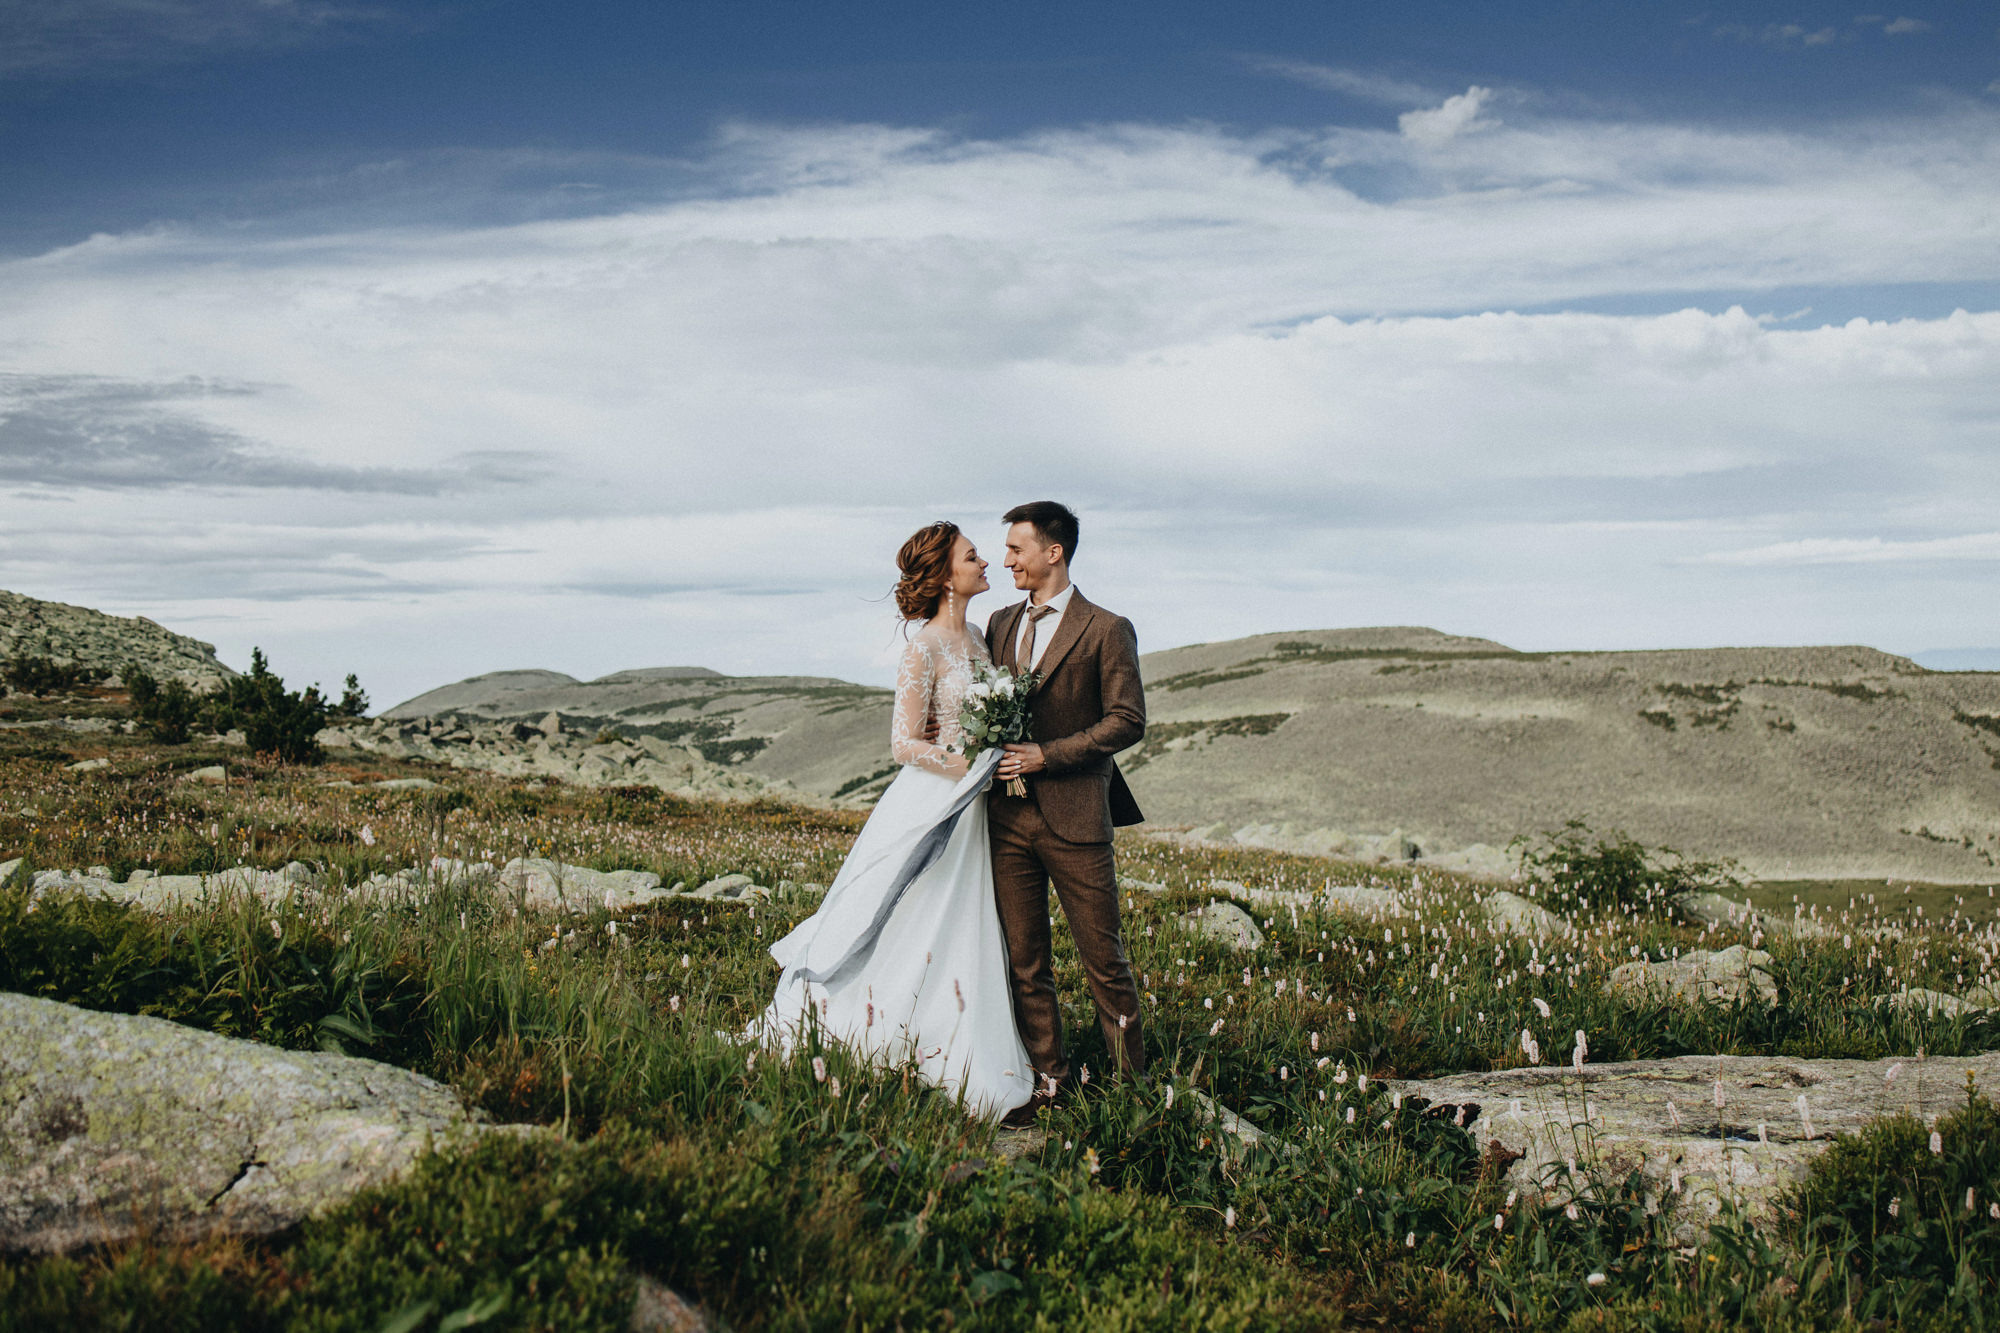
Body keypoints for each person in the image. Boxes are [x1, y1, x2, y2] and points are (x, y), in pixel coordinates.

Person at [756, 520, 1035, 1120]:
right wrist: (971, 764)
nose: (985, 562)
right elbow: (904, 743)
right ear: (946, 577)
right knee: (912, 911)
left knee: (962, 917)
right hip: (933, 798)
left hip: (974, 807)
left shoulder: (981, 638)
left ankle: (954, 1035)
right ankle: (879, 1030)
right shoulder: (924, 647)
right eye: (973, 556)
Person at [982, 501, 1148, 1127]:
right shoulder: (999, 623)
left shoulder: (1107, 628)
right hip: (1006, 820)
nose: (1006, 561)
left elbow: (1127, 720)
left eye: (1016, 549)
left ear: (1053, 552)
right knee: (1025, 961)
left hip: (1077, 820)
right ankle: (1049, 1082)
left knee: (1104, 962)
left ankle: (1133, 1090)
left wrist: (1047, 756)